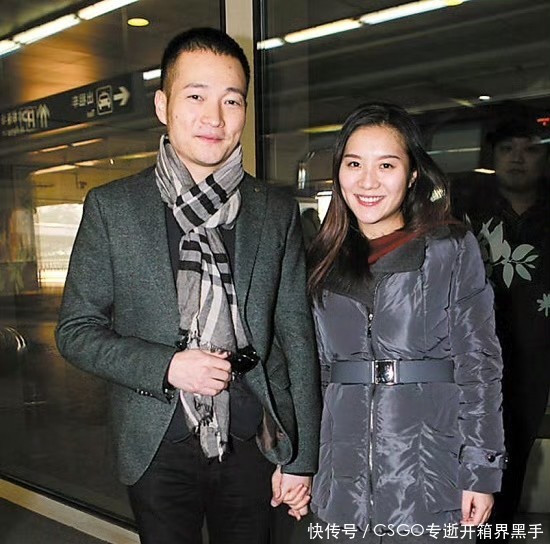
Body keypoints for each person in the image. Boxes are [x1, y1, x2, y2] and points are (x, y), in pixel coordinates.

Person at [55, 27, 320, 544]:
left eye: (231, 100)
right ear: (163, 105)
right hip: (156, 441)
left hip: (254, 438)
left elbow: (297, 337)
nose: (214, 117)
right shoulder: (114, 208)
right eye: (195, 96)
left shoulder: (274, 211)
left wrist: (301, 457)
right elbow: (76, 331)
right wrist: (168, 366)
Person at [306, 102, 506, 542]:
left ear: (413, 174)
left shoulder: (449, 249)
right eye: (354, 164)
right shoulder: (321, 260)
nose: (368, 181)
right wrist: (300, 465)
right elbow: (314, 374)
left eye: (386, 165)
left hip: (431, 474)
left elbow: (479, 365)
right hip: (343, 480)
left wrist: (481, 470)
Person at [452, 115, 550, 538]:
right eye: (508, 149)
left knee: (513, 467)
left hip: (533, 362)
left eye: (530, 149)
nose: (518, 159)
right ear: (492, 155)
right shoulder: (465, 210)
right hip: (468, 359)